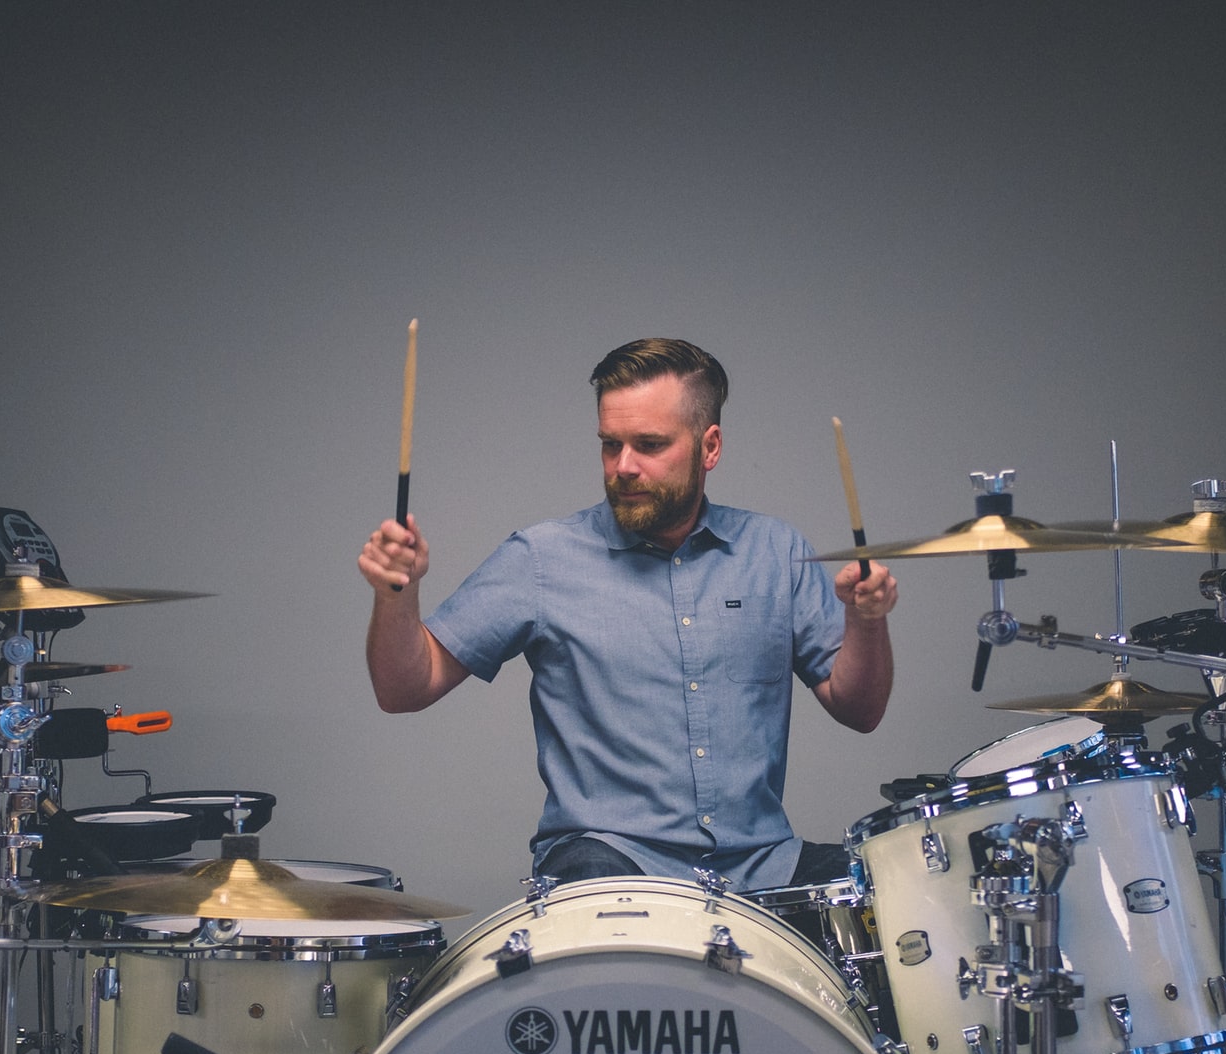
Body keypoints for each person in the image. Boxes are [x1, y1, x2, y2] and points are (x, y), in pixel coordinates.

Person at [356, 338, 897, 891]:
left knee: (888, 894)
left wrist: (866, 622)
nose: (624, 467)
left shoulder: (776, 552)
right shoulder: (541, 558)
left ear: (709, 447)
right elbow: (406, 689)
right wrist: (395, 594)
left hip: (761, 866)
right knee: (602, 899)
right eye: (610, 445)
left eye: (650, 444)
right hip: (610, 860)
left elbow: (860, 709)